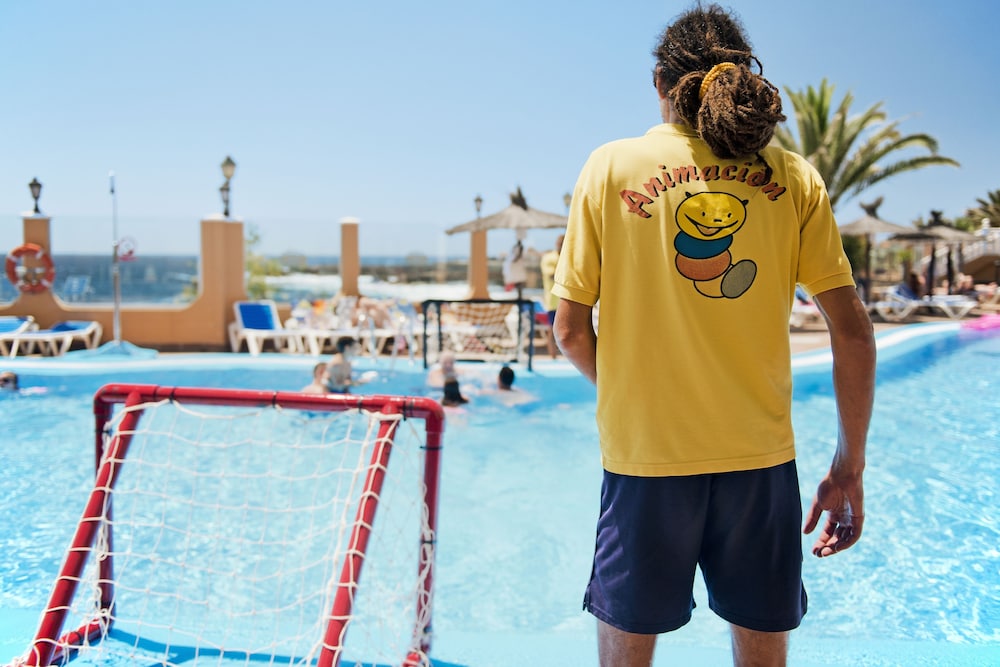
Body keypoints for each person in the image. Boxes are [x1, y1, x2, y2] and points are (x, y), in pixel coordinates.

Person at [551, 5, 876, 666]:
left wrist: (629, 390)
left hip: (646, 458)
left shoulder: (610, 168)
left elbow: (569, 332)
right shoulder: (793, 176)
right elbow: (853, 333)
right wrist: (848, 466)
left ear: (659, 82)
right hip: (760, 462)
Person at [539, 234, 564, 357]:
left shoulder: (566, 258)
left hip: (566, 299)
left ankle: (559, 356)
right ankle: (553, 356)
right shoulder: (549, 258)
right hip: (554, 301)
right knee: (552, 330)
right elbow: (551, 275)